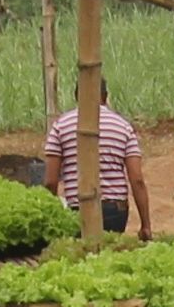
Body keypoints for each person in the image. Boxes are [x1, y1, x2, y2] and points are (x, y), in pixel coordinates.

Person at [44, 100, 147, 235]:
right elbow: (137, 180)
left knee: (83, 253)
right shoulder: (123, 126)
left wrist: (50, 216)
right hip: (115, 211)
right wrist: (146, 225)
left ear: (77, 96)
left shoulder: (61, 126)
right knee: (110, 252)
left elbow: (51, 182)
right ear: (106, 97)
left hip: (77, 210)